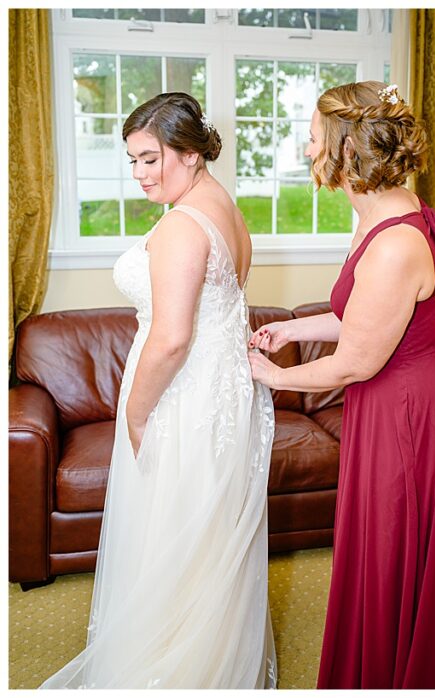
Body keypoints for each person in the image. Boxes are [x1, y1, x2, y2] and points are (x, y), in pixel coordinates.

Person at [248, 81, 435, 689]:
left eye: (312, 140)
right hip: (395, 395)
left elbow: (354, 360)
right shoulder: (383, 215)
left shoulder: (393, 244)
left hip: (404, 410)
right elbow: (359, 316)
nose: (307, 152)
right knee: (386, 547)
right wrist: (289, 330)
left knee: (395, 546)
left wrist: (275, 377)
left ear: (345, 150)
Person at [41, 93, 276, 688]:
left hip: (183, 400)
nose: (142, 174)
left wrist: (139, 415)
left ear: (192, 153)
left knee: (170, 540)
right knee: (206, 539)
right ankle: (212, 667)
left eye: (152, 159)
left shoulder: (180, 228)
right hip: (226, 395)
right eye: (133, 161)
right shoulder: (225, 207)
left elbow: (171, 340)